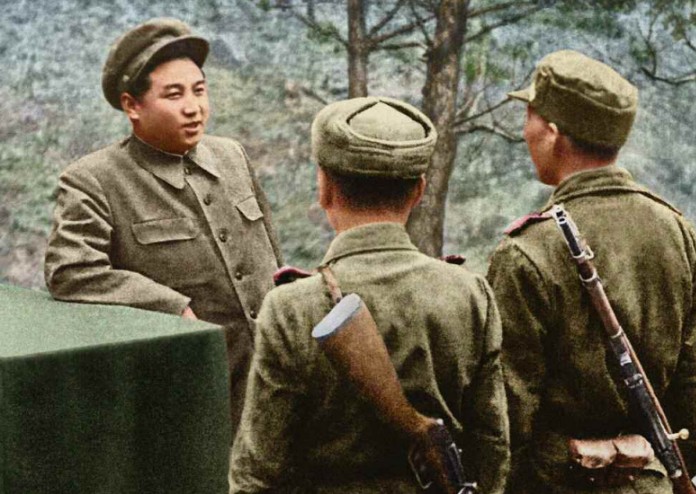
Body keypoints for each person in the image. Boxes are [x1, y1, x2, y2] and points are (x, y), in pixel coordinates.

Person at [229, 96, 510, 493]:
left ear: (324, 188)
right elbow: (492, 448)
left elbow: (258, 472)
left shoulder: (292, 308)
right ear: (419, 191)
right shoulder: (469, 294)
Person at [44, 18, 282, 431]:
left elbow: (272, 255)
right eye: (174, 94)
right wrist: (171, 306)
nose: (193, 107)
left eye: (199, 90)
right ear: (132, 106)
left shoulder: (232, 156)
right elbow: (71, 271)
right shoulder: (94, 180)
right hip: (184, 393)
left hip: (274, 380)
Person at [487, 49, 696, 493]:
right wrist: (646, 462)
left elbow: (505, 424)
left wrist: (567, 460)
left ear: (552, 133)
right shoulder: (679, 234)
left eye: (529, 117)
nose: (524, 132)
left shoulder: (527, 251)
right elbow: (695, 394)